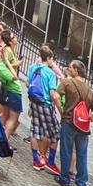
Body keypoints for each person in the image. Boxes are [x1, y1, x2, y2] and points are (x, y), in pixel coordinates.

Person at [54, 58, 93, 186]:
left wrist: (62, 111)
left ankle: (64, 178)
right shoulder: (90, 91)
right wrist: (87, 119)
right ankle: (81, 185)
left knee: (66, 150)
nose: (68, 69)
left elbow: (56, 96)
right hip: (83, 127)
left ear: (76, 70)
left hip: (69, 121)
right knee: (82, 154)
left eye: (70, 67)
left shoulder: (67, 82)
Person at [26, 45, 62, 175]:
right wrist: (60, 109)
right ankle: (50, 162)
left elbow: (28, 83)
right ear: (48, 58)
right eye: (52, 59)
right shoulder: (51, 73)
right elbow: (52, 93)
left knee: (35, 130)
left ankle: (36, 160)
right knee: (55, 133)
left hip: (33, 101)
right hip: (45, 104)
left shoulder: (32, 67)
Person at [0, 27, 24, 137]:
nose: (15, 38)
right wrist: (16, 64)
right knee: (12, 119)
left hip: (9, 87)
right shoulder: (2, 61)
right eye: (13, 37)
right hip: (13, 88)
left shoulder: (9, 51)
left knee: (5, 114)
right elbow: (12, 73)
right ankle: (2, 141)